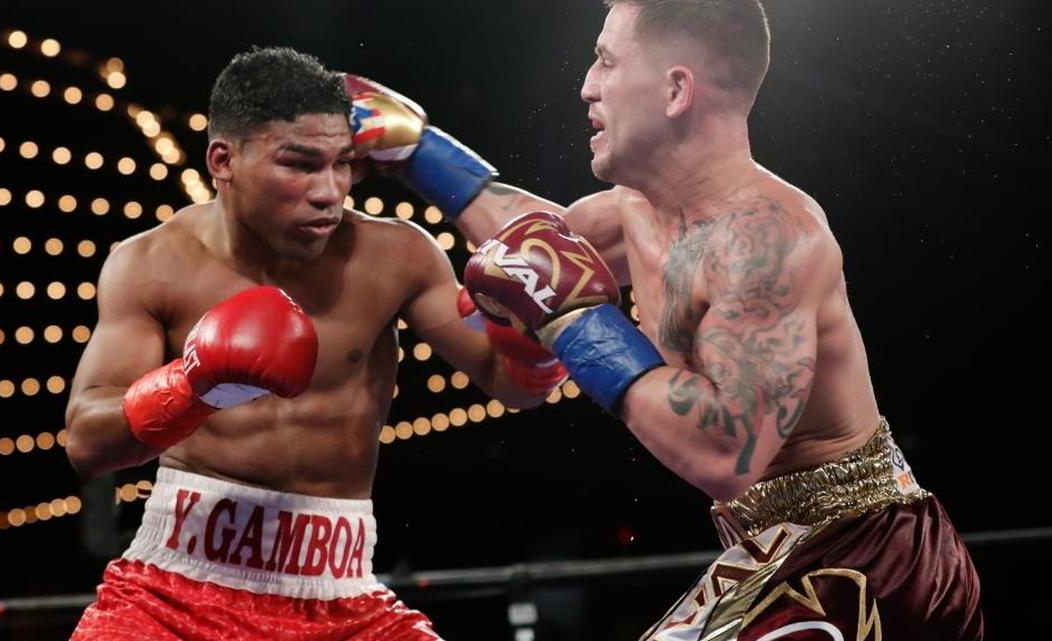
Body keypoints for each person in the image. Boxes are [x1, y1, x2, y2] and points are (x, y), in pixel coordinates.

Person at [348, 1, 984, 639]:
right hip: (770, 549)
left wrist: (573, 322)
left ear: (677, 89)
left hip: (871, 558)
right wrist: (420, 152)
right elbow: (535, 245)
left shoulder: (768, 239)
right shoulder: (636, 212)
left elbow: (725, 450)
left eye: (606, 61)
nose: (587, 86)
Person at [64, 46, 564, 641]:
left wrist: (531, 342)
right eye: (300, 164)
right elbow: (86, 442)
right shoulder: (151, 264)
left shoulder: (396, 256)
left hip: (344, 597)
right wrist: (194, 385)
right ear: (222, 160)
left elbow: (512, 386)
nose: (330, 191)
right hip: (172, 592)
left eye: (343, 164)